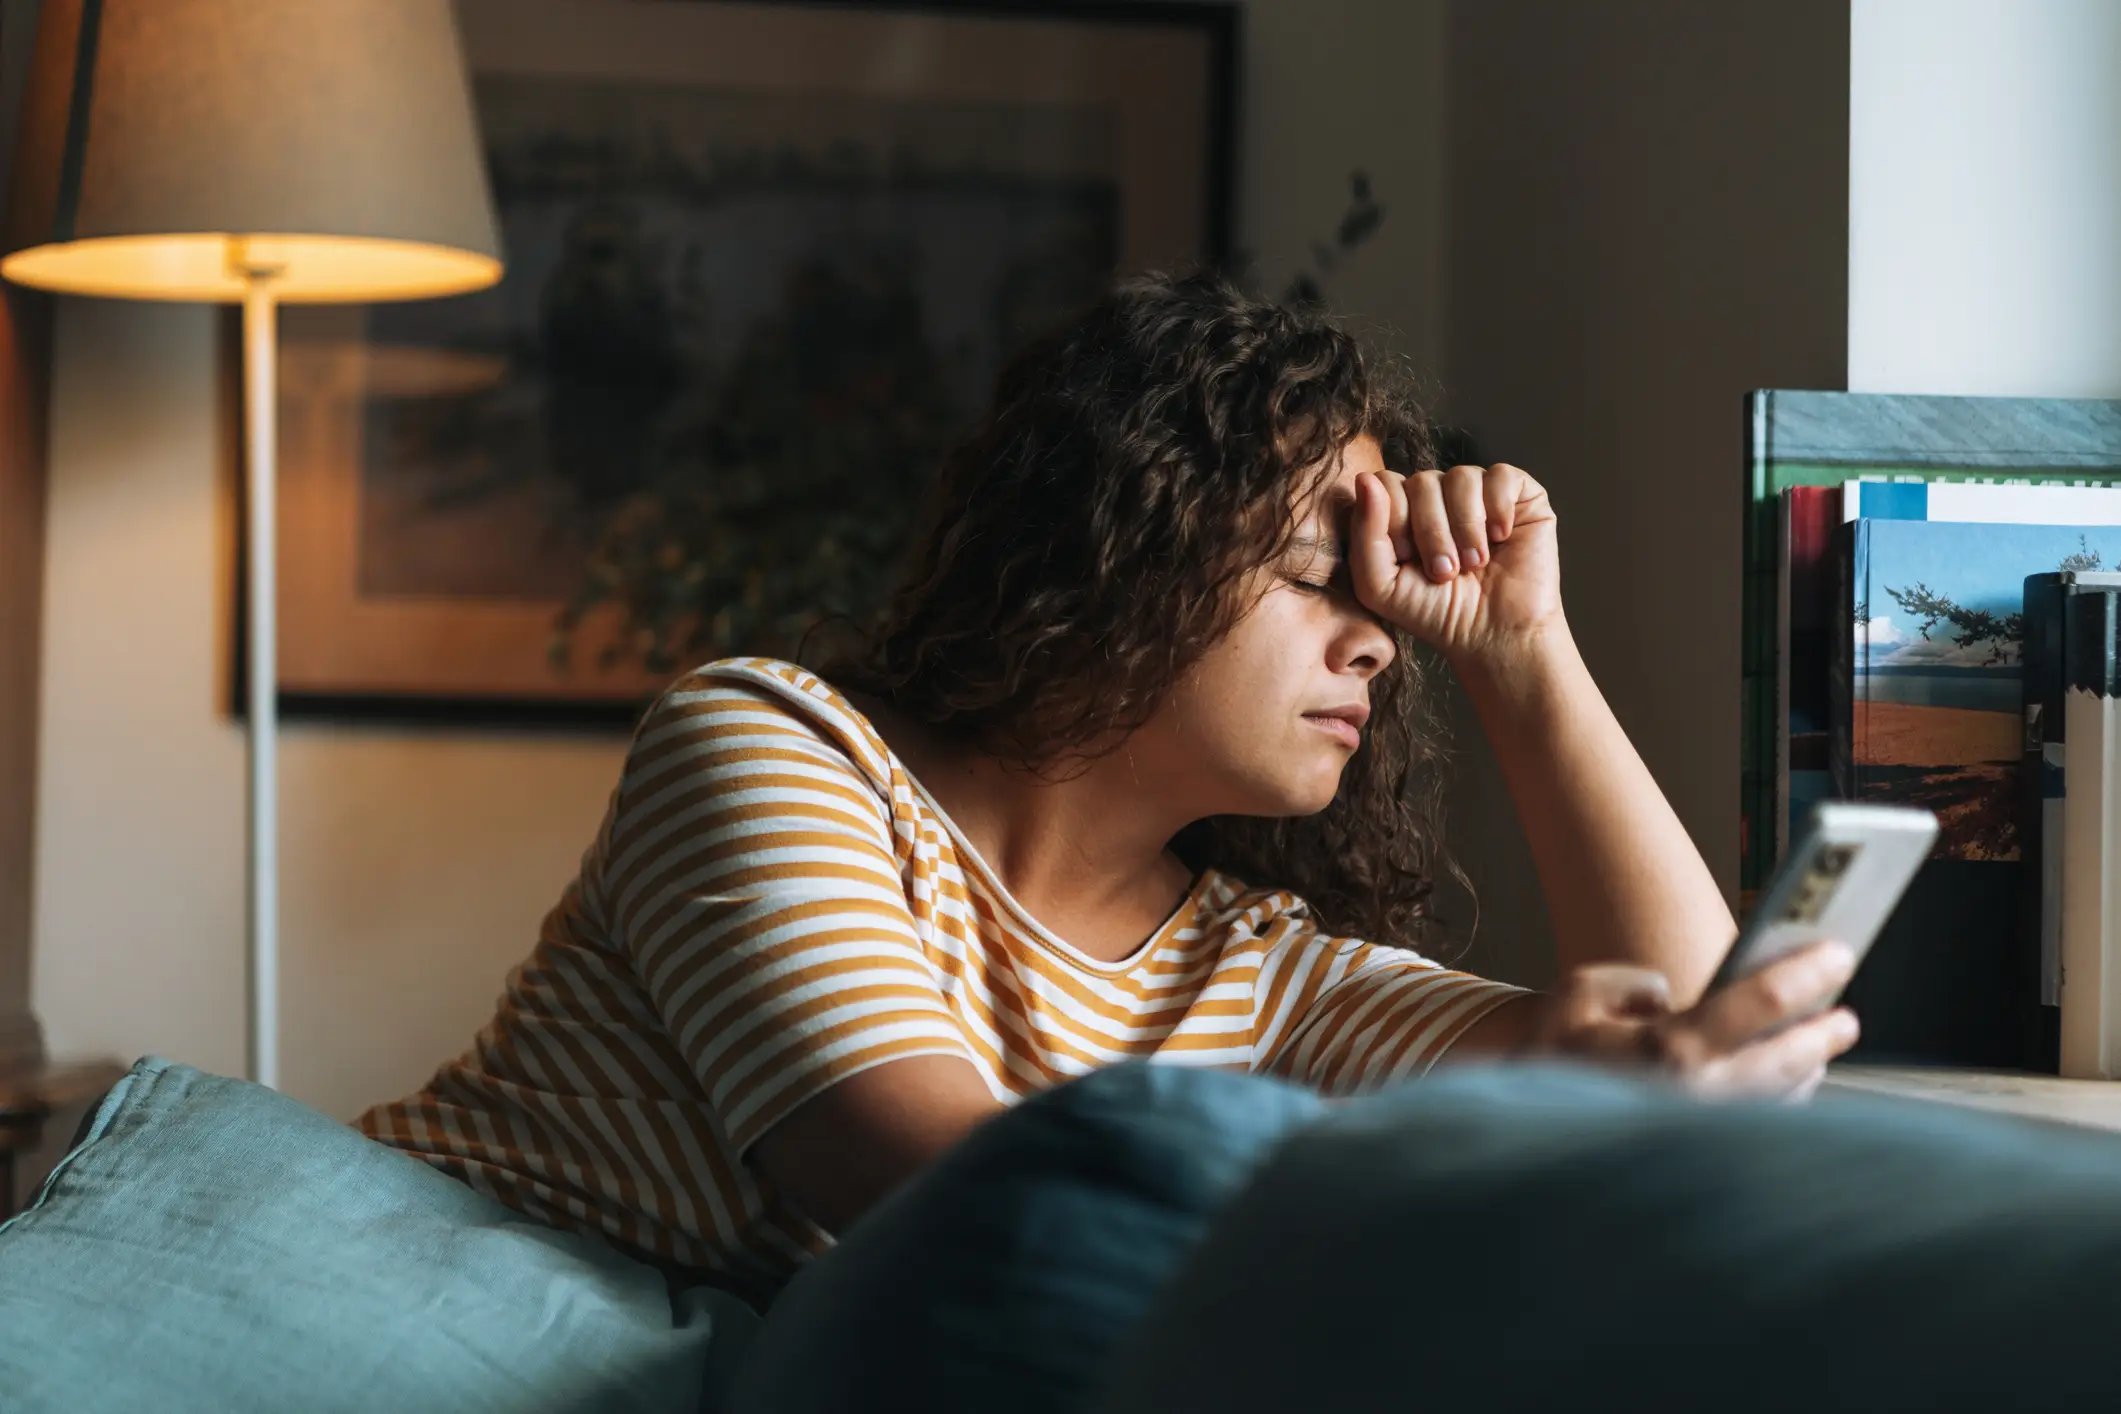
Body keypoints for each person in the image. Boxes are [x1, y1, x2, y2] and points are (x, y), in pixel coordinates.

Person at [358, 269, 1860, 1306]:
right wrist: (1462, 1172)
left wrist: (1524, 654)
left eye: (1384, 605)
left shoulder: (1253, 973)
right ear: (1127, 554)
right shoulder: (767, 746)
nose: (1377, 644)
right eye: (1319, 578)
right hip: (400, 1315)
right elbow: (948, 1190)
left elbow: (1722, 1049)